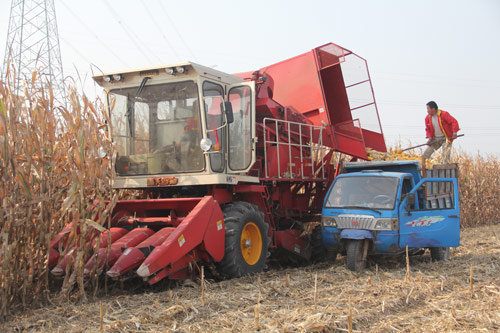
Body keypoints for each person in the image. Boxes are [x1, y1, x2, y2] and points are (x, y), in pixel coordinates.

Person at [422, 101, 460, 168]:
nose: (427, 111)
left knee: (445, 156)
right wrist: (430, 139)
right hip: (436, 139)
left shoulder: (444, 114)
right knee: (425, 155)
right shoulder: (427, 118)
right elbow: (428, 130)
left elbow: (454, 122)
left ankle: (445, 171)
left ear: (433, 109)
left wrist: (454, 133)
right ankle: (423, 169)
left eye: (428, 109)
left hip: (446, 138)